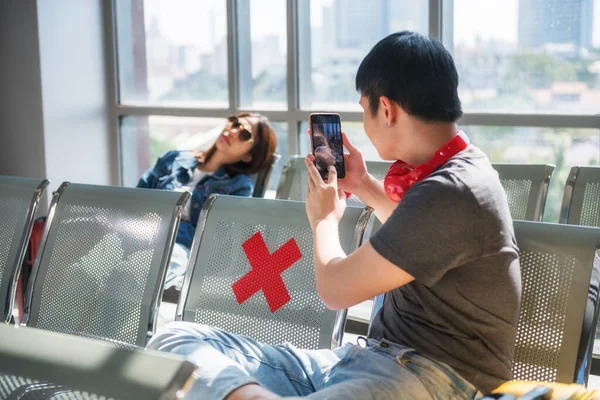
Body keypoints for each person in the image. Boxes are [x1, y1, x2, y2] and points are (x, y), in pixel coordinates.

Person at [147, 31, 521, 399]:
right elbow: (420, 238)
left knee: (185, 363)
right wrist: (360, 184)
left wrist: (324, 220)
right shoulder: (461, 169)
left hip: (432, 377)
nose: (365, 120)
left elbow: (336, 290)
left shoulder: (452, 190)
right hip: (371, 359)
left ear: (386, 109)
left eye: (364, 108)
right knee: (175, 339)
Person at [137, 112, 277, 290]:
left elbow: (211, 238)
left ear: (248, 156)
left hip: (175, 249)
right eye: (234, 123)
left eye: (244, 134)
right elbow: (138, 197)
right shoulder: (175, 159)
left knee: (140, 270)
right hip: (136, 234)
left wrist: (159, 227)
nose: (233, 131)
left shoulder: (238, 187)